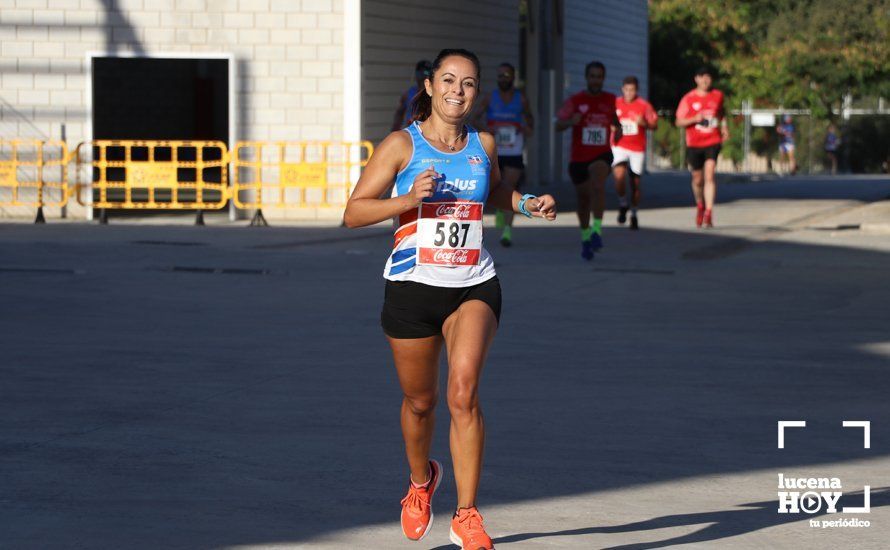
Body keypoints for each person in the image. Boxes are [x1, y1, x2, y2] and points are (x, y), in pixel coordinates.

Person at [344, 48, 556, 549]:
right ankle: (421, 484)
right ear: (430, 87)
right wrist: (408, 199)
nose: (457, 91)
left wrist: (526, 203)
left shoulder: (483, 142)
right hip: (412, 287)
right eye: (448, 80)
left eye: (467, 83)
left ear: (476, 92)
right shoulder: (401, 145)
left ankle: (467, 514)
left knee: (463, 394)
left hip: (472, 283)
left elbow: (495, 191)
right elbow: (354, 212)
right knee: (421, 403)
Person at [556, 61, 620, 260]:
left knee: (598, 184)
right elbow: (558, 124)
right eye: (592, 76)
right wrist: (570, 121)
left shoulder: (610, 100)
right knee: (583, 200)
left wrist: (618, 132)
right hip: (578, 159)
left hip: (601, 154)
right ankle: (585, 236)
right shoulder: (575, 101)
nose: (595, 80)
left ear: (603, 78)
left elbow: (616, 123)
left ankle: (597, 231)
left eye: (599, 76)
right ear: (587, 78)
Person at [472, 62, 534, 247]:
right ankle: (500, 209)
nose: (503, 79)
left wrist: (526, 127)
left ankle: (507, 231)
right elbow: (475, 118)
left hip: (514, 148)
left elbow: (531, 120)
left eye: (506, 75)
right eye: (500, 76)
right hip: (494, 149)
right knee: (493, 186)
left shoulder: (521, 99)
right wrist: (487, 129)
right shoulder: (490, 97)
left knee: (510, 186)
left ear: (513, 77)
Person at [675, 67, 729, 228]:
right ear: (696, 79)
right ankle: (700, 205)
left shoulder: (718, 96)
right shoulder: (688, 99)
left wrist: (725, 127)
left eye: (708, 78)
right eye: (702, 78)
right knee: (697, 180)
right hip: (694, 143)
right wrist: (694, 119)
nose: (705, 81)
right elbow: (678, 121)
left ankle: (709, 212)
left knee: (710, 175)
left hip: (712, 140)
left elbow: (721, 113)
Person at [612, 75, 658, 230]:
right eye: (626, 90)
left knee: (635, 183)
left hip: (637, 148)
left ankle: (634, 213)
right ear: (622, 89)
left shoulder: (644, 105)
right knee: (618, 176)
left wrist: (643, 123)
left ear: (636, 90)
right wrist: (612, 127)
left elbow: (654, 125)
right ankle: (623, 202)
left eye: (632, 90)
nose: (629, 93)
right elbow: (607, 121)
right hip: (619, 145)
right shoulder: (615, 103)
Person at [391, 60, 433, 131]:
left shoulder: (435, 95)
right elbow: (399, 113)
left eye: (426, 74)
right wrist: (395, 131)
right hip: (411, 131)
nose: (422, 77)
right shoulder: (408, 94)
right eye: (420, 74)